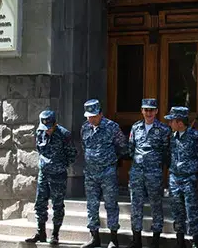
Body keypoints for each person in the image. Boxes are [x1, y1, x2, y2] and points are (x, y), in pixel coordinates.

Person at [80, 99, 128, 248]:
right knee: (91, 205)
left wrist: (110, 161)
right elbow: (84, 147)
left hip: (107, 172)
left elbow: (123, 147)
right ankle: (95, 237)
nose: (91, 119)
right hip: (90, 173)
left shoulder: (112, 127)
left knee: (111, 204)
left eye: (93, 116)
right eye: (88, 116)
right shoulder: (85, 128)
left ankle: (114, 238)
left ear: (100, 114)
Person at [25, 110, 77, 245]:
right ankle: (40, 232)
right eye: (44, 128)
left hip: (58, 175)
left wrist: (61, 165)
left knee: (57, 205)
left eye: (49, 128)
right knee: (40, 203)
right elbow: (39, 149)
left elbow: (72, 154)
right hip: (44, 173)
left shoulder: (64, 134)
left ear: (55, 124)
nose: (46, 131)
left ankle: (55, 234)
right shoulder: (39, 132)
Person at [127, 98, 170, 248]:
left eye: (151, 110)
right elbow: (131, 148)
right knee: (136, 206)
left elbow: (166, 152)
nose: (148, 113)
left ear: (156, 111)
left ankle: (155, 240)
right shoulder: (136, 127)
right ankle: (136, 239)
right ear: (142, 111)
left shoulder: (163, 129)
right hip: (137, 173)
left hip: (154, 174)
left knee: (156, 206)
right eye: (146, 110)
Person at [164, 106, 198, 248]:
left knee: (191, 211)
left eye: (172, 121)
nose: (169, 124)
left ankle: (195, 242)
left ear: (180, 122)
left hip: (189, 179)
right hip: (175, 179)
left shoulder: (196, 137)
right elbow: (169, 156)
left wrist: (195, 176)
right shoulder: (172, 137)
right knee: (177, 211)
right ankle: (180, 241)